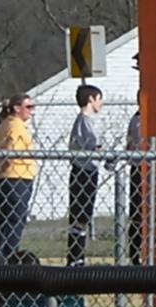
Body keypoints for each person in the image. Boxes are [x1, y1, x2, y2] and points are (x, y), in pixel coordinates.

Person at [0, 93, 37, 265]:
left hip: (1, 181)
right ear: (16, 108)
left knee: (0, 225)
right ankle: (9, 263)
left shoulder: (2, 126)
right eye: (28, 107)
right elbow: (10, 154)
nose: (32, 111)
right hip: (16, 179)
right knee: (14, 223)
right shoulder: (16, 127)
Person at [67, 84, 104, 267]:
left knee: (82, 218)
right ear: (91, 99)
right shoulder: (85, 122)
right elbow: (95, 147)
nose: (101, 104)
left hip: (87, 171)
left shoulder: (86, 121)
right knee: (80, 218)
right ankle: (76, 258)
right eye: (99, 99)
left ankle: (77, 257)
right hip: (84, 172)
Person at [126, 90, 143, 265]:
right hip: (138, 168)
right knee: (137, 214)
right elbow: (131, 144)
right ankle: (135, 254)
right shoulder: (137, 120)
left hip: (149, 168)